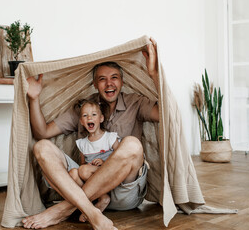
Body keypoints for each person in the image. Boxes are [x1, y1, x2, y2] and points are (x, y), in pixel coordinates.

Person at [22, 38, 159, 230]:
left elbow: (165, 114)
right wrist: (34, 98)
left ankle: (63, 210)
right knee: (41, 147)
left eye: (114, 77)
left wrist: (154, 74)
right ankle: (92, 212)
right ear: (94, 84)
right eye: (102, 79)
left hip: (123, 194)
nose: (109, 83)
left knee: (133, 144)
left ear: (122, 81)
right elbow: (41, 132)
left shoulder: (135, 102)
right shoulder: (84, 108)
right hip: (85, 184)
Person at [69, 99, 120, 223]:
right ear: (82, 121)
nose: (89, 118)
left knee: (83, 170)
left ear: (101, 118)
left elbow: (120, 158)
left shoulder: (110, 137)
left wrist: (104, 163)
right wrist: (89, 167)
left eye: (93, 115)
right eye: (85, 116)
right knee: (74, 173)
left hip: (109, 176)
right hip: (92, 179)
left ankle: (103, 198)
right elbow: (83, 165)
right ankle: (93, 206)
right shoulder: (82, 144)